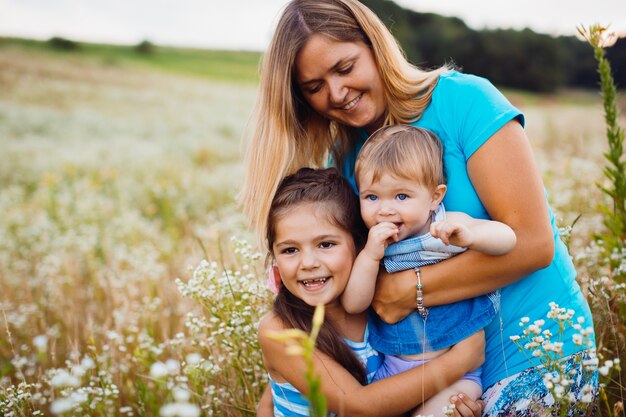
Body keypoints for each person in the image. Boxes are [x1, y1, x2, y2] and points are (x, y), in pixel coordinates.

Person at [242, 0, 598, 412]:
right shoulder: (343, 160)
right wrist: (276, 390)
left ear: (375, 46)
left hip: (538, 353)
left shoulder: (465, 102)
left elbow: (535, 245)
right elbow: (336, 293)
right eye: (314, 87)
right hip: (429, 379)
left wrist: (408, 292)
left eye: (344, 68)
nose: (336, 93)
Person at [258, 167, 485, 417]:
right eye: (290, 250)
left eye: (326, 244)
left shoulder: (378, 305)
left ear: (359, 244)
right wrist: (461, 360)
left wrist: (450, 404)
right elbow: (358, 406)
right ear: (275, 257)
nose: (308, 262)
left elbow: (397, 393)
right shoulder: (280, 329)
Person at [341, 125, 516, 416]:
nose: (384, 210)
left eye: (401, 197)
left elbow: (508, 239)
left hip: (457, 375)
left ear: (435, 197)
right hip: (394, 369)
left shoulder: (448, 225)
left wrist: (472, 237)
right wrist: (370, 256)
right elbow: (354, 303)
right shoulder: (371, 245)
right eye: (371, 197)